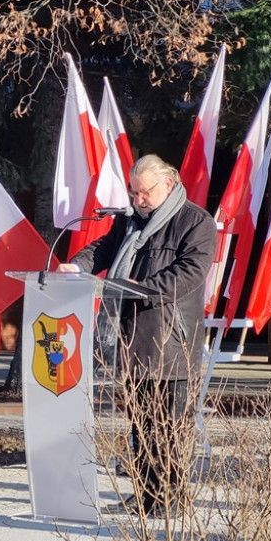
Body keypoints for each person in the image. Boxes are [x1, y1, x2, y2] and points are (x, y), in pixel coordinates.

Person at [58, 154, 216, 516]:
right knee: (142, 425)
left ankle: (170, 499)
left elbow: (190, 272)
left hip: (171, 341)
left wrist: (141, 289)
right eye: (134, 193)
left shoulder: (196, 221)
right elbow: (103, 250)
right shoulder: (130, 221)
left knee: (169, 427)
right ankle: (146, 495)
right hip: (131, 338)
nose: (138, 200)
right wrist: (77, 266)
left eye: (145, 193)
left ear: (168, 185)